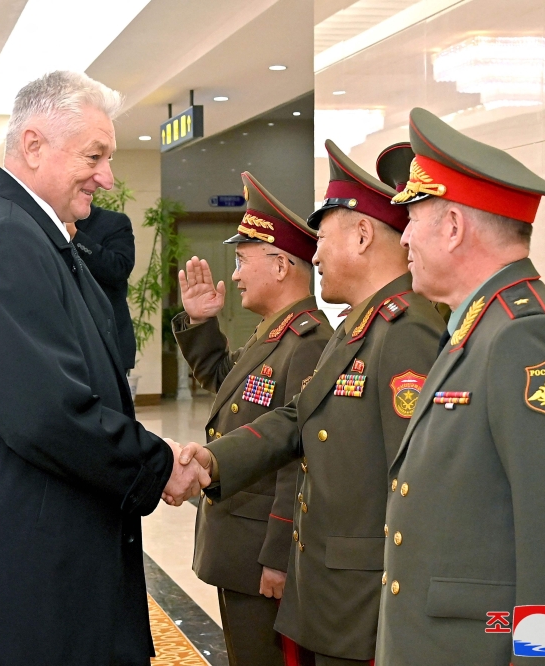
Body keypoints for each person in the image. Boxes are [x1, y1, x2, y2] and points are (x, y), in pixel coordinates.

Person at [0, 71, 208, 666]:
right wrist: (157, 464)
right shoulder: (3, 240)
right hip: (14, 584)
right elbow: (46, 415)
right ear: (33, 145)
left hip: (29, 563)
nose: (108, 176)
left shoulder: (26, 233)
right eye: (95, 155)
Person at [175, 141, 446, 666]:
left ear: (363, 234)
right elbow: (298, 421)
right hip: (332, 590)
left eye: (321, 239)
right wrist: (212, 460)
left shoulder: (404, 331)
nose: (314, 254)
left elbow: (415, 485)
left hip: (361, 600)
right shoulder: (356, 330)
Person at [375, 108, 545, 666]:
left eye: (412, 216)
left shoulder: (529, 339)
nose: (402, 235)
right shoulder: (476, 329)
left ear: (453, 227)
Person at [172, 172, 334, 666]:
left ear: (282, 265)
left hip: (262, 554)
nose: (236, 274)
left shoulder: (309, 344)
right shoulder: (275, 334)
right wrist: (201, 323)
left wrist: (277, 557)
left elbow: (297, 460)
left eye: (243, 261)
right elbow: (228, 386)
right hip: (240, 547)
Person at [69, 204, 137, 371]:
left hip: (106, 341)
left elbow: (118, 269)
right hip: (64, 343)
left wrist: (75, 236)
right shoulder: (41, 224)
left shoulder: (113, 222)